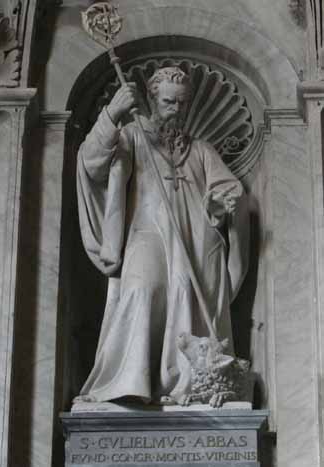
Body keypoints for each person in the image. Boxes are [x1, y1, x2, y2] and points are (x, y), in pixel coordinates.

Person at [76, 67, 249, 405]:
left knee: (184, 284)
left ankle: (185, 385)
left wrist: (219, 202)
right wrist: (113, 113)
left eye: (182, 103)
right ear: (153, 100)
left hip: (191, 239)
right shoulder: (132, 137)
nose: (176, 109)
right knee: (142, 288)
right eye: (169, 101)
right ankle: (128, 382)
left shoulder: (199, 149)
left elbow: (228, 189)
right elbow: (92, 163)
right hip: (146, 231)